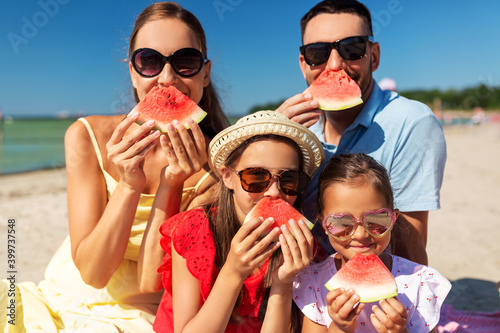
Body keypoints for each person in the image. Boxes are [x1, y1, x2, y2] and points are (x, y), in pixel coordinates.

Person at [0, 2, 228, 332]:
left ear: (204, 73)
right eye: (150, 61)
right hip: (61, 292)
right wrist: (128, 183)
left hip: (140, 314)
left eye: (185, 62)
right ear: (133, 71)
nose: (167, 78)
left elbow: (154, 280)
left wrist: (173, 183)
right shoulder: (86, 136)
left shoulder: (217, 167)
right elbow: (93, 273)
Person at [276, 0, 446, 265]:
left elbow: (407, 249)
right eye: (317, 53)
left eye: (351, 49)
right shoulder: (290, 128)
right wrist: (270, 139)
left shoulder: (411, 122)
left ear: (374, 56)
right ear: (303, 63)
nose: (334, 65)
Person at [152, 110, 325, 332]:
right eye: (256, 177)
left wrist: (282, 284)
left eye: (289, 179)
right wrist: (233, 271)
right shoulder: (194, 230)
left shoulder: (301, 246)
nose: (273, 192)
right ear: (227, 176)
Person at [293, 153, 451, 333]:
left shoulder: (419, 283)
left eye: (375, 220)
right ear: (324, 224)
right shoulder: (315, 282)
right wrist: (339, 327)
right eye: (342, 223)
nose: (360, 234)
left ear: (393, 219)